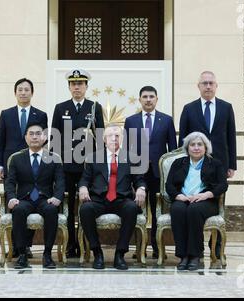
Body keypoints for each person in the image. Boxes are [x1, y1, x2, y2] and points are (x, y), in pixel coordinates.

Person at [178, 71, 236, 257]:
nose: (208, 86)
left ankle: (216, 244)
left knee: (218, 201)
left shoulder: (227, 108)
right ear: (199, 86)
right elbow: (183, 141)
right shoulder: (189, 108)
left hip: (219, 163)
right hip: (195, 162)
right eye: (205, 83)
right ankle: (194, 245)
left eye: (211, 83)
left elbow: (231, 137)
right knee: (195, 204)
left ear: (216, 86)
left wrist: (232, 164)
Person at [51, 69, 105, 258]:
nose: (77, 87)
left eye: (80, 84)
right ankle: (70, 244)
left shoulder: (94, 107)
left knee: (86, 204)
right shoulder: (60, 108)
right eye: (73, 84)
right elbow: (55, 138)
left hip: (87, 167)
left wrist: (99, 164)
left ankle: (86, 242)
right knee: (68, 206)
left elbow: (100, 138)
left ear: (86, 86)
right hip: (66, 166)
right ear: (69, 87)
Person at [78, 124, 146, 270]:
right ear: (104, 139)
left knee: (131, 208)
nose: (114, 139)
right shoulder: (93, 157)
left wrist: (141, 188)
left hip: (121, 199)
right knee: (85, 209)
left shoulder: (131, 157)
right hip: (99, 199)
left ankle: (120, 254)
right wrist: (83, 187)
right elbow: (85, 179)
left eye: (117, 136)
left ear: (122, 139)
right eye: (110, 136)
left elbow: (139, 179)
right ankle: (97, 253)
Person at [0, 78, 48, 259]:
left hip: (33, 167)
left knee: (32, 202)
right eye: (20, 89)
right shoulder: (6, 114)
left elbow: (43, 141)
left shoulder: (41, 115)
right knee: (14, 206)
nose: (23, 92)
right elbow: (0, 141)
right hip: (11, 166)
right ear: (15, 92)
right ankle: (15, 246)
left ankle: (26, 246)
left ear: (32, 93)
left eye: (27, 89)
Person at [124, 86, 177, 258]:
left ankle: (156, 247)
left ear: (156, 99)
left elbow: (173, 151)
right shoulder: (131, 121)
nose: (148, 99)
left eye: (151, 96)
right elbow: (125, 149)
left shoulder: (167, 120)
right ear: (139, 99)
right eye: (145, 97)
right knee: (136, 211)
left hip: (158, 174)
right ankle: (139, 248)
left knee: (156, 211)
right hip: (136, 173)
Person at [5, 123, 65, 269]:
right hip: (24, 200)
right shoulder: (17, 159)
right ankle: (22, 255)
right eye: (31, 134)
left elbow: (61, 182)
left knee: (51, 211)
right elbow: (10, 182)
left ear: (44, 138)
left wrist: (57, 197)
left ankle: (47, 255)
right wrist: (12, 197)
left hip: (45, 199)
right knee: (18, 210)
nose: (34, 137)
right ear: (26, 138)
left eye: (38, 134)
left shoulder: (53, 158)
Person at [166, 132, 227, 271]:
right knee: (177, 210)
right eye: (192, 145)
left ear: (206, 147)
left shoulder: (215, 163)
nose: (196, 147)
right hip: (183, 198)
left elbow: (223, 185)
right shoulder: (178, 163)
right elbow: (169, 185)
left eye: (200, 144)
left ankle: (195, 255)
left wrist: (207, 194)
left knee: (194, 210)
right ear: (187, 148)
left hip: (206, 201)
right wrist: (177, 196)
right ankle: (183, 256)